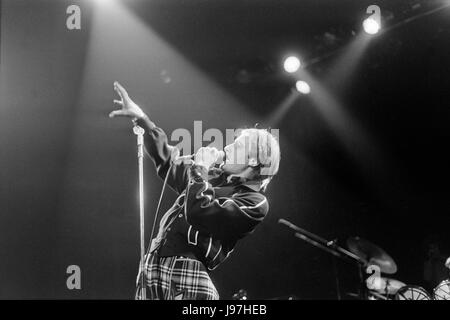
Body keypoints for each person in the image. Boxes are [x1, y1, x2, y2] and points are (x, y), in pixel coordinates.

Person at [109, 81, 280, 300]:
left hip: (186, 271)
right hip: (154, 265)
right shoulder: (214, 177)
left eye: (237, 146)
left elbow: (201, 212)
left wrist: (200, 169)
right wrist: (141, 118)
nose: (227, 147)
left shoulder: (254, 201)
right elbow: (168, 161)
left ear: (253, 159)